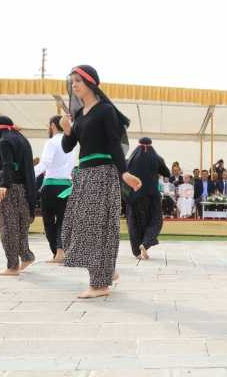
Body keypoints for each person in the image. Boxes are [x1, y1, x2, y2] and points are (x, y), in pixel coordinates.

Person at [60, 65, 141, 299]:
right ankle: (107, 271)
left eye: (78, 81)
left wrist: (123, 172)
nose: (74, 85)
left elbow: (115, 144)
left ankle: (99, 284)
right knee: (75, 228)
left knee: (96, 229)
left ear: (90, 83)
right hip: (83, 175)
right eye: (72, 81)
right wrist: (66, 130)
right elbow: (69, 147)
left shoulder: (105, 111)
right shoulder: (80, 114)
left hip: (102, 174)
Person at [0, 116, 37, 277]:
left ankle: (12, 266)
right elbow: (17, 164)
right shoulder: (20, 138)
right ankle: (26, 256)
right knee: (20, 226)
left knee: (8, 228)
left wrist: (4, 185)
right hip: (24, 189)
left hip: (10, 189)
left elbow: (9, 166)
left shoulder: (4, 141)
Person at [34, 115, 76, 263]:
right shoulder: (71, 143)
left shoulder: (51, 142)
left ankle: (57, 253)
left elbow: (44, 163)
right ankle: (61, 251)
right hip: (67, 187)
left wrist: (27, 175)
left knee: (49, 221)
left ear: (52, 125)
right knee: (63, 221)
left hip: (51, 186)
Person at [125, 137, 170, 260]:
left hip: (134, 195)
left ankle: (137, 252)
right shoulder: (157, 158)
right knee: (155, 221)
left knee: (134, 223)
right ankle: (145, 243)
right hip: (152, 196)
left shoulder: (130, 160)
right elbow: (167, 173)